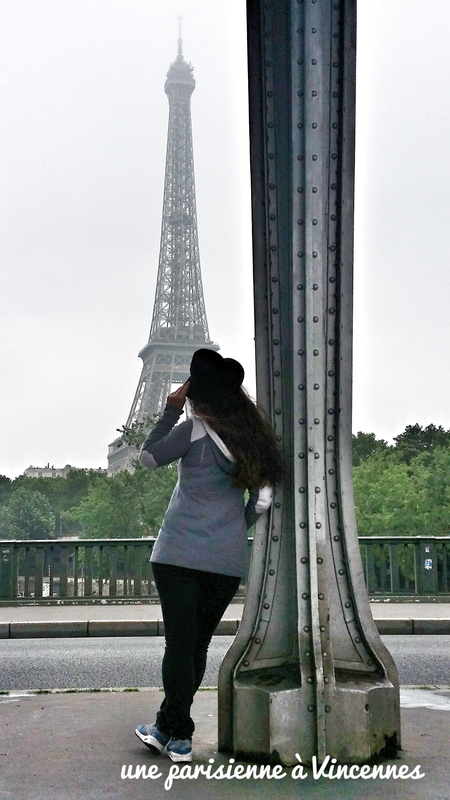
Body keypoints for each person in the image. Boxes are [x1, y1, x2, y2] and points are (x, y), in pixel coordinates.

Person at [134, 348, 283, 762]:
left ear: (197, 391)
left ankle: (177, 733)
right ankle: (168, 729)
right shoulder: (249, 439)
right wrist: (235, 527)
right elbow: (264, 498)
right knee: (195, 645)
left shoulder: (193, 429)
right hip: (225, 561)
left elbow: (147, 458)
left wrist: (169, 410)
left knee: (179, 645)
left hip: (178, 553)